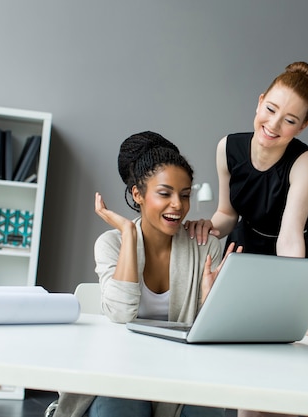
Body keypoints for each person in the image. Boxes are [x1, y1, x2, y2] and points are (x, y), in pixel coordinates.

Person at [55, 131, 240, 417]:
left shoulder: (205, 247)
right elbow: (120, 314)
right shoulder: (111, 244)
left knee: (204, 411)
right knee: (115, 409)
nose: (178, 205)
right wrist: (129, 233)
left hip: (182, 371)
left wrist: (210, 302)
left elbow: (212, 339)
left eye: (185, 195)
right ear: (137, 194)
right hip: (120, 367)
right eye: (164, 194)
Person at [184, 62, 308, 417]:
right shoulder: (227, 148)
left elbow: (291, 237)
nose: (274, 125)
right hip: (243, 259)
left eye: (290, 120)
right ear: (259, 102)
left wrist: (294, 311)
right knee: (249, 388)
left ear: (303, 125)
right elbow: (227, 214)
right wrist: (206, 225)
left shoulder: (305, 160)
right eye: (271, 109)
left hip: (288, 265)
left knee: (288, 388)